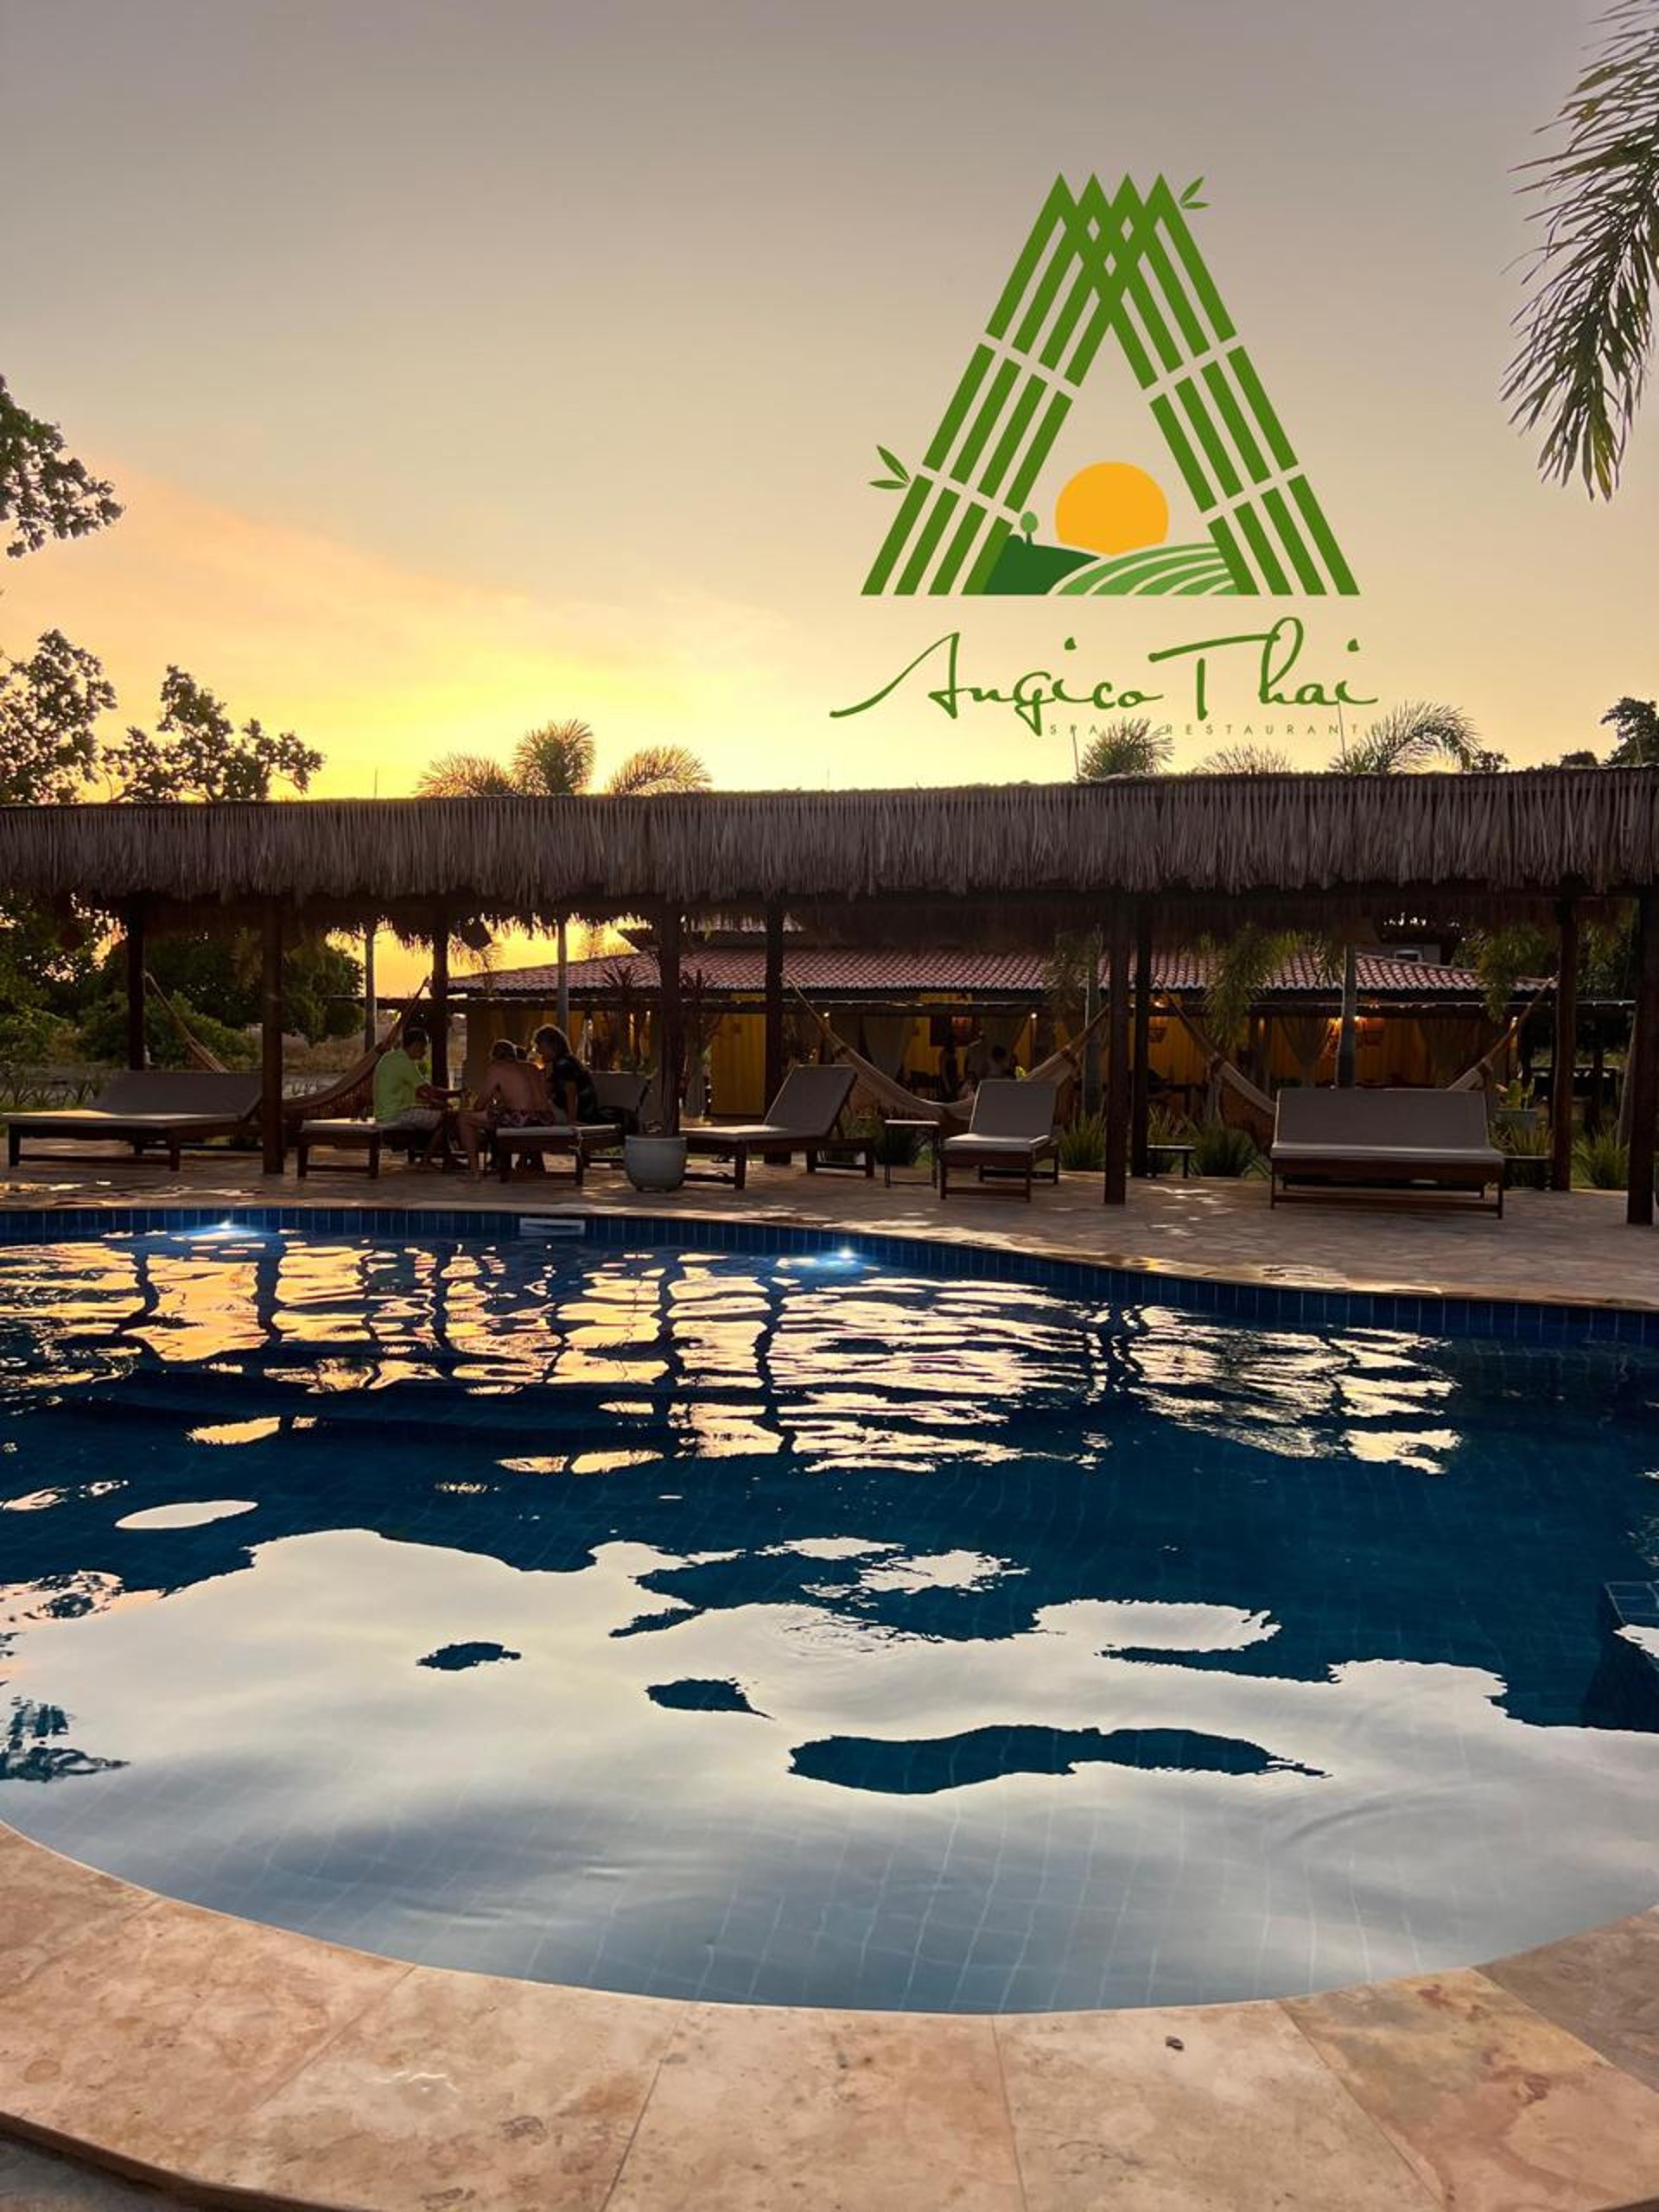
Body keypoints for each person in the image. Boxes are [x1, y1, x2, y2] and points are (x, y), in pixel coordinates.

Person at [459, 1039, 550, 1175]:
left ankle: (474, 1172)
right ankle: (515, 1163)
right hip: (544, 1119)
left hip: (521, 1119)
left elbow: (480, 1104)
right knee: (498, 1115)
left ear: (494, 1057)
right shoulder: (532, 1067)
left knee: (464, 1118)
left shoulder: (497, 1068)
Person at [372, 1020, 454, 1165]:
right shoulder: (405, 1062)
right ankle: (427, 1160)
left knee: (439, 1112)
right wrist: (457, 1093)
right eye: (424, 1047)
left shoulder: (389, 1058)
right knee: (446, 1118)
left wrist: (433, 1103)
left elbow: (415, 1092)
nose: (425, 1052)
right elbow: (429, 1090)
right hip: (396, 1115)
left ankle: (436, 1156)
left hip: (384, 1113)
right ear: (416, 1045)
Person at [531, 1024, 600, 1127]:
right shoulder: (561, 1063)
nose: (538, 1051)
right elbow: (545, 1092)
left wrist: (572, 1122)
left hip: (581, 1116)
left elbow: (571, 1093)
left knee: (535, 1109)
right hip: (581, 1113)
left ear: (552, 1045)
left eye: (540, 1046)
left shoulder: (564, 1063)